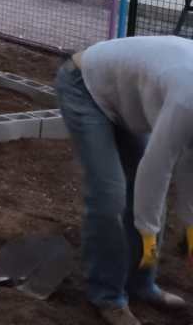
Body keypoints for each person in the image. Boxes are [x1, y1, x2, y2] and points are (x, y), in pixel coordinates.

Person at [57, 35, 193, 325]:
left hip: (128, 96)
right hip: (86, 85)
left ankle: (141, 284)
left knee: (145, 197)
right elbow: (156, 169)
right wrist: (148, 230)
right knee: (110, 196)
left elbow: (189, 169)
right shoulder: (187, 101)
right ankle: (106, 295)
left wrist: (191, 228)